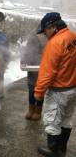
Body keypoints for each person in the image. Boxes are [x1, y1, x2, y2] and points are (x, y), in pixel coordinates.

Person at [34, 12, 76, 157]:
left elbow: (47, 72)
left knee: (52, 121)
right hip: (72, 89)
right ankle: (63, 147)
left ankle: (53, 150)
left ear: (52, 27)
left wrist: (39, 92)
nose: (44, 34)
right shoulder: (73, 36)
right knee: (66, 119)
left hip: (58, 91)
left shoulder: (54, 43)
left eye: (45, 30)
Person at [20, 24, 47, 120]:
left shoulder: (49, 42)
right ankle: (31, 110)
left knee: (40, 91)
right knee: (31, 91)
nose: (40, 36)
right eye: (38, 34)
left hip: (43, 71)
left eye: (42, 34)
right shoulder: (31, 41)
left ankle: (38, 111)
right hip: (32, 70)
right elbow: (25, 52)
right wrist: (23, 61)